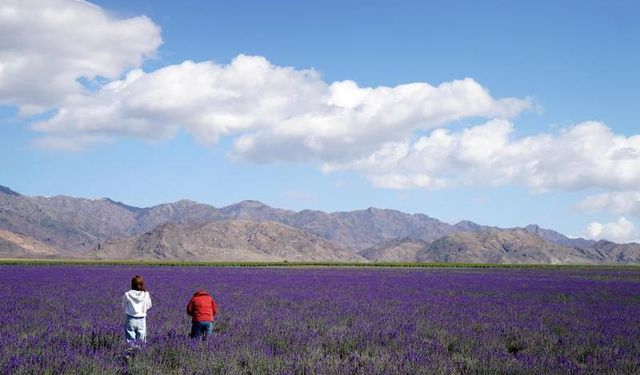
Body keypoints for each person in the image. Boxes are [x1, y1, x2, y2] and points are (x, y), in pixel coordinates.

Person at [122, 275, 152, 345]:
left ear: (132, 284)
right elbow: (149, 305)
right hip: (142, 320)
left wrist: (130, 310)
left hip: (130, 319)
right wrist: (142, 309)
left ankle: (131, 355)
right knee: (141, 340)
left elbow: (123, 306)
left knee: (130, 340)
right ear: (142, 284)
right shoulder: (146, 294)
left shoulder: (127, 294)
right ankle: (140, 354)